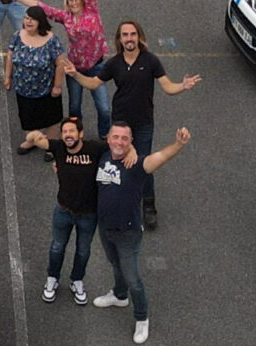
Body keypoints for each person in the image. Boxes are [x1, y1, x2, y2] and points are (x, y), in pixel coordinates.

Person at [66, 20, 201, 230]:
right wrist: (76, 75)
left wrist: (182, 86)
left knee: (144, 165)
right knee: (119, 161)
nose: (129, 38)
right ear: (119, 39)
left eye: (132, 34)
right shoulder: (114, 63)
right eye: (124, 35)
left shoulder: (151, 60)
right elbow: (94, 83)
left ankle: (148, 206)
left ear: (139, 37)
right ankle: (118, 199)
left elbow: (167, 87)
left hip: (144, 123)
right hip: (120, 123)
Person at [92, 125, 192, 344]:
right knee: (115, 265)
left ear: (131, 141)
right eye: (115, 137)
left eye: (124, 139)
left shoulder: (137, 164)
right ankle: (119, 296)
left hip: (128, 232)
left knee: (133, 279)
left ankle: (141, 317)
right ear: (108, 139)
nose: (119, 142)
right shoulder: (102, 155)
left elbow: (162, 156)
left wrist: (179, 144)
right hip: (105, 227)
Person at [9, 0, 109, 136]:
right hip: (74, 68)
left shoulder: (92, 10)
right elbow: (41, 6)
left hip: (97, 67)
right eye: (70, 0)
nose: (73, 2)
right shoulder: (66, 17)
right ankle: (76, 135)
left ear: (82, 0)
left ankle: (104, 134)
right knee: (74, 106)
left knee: (104, 108)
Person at [19, 117, 99, 305]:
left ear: (81, 134)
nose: (68, 135)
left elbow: (117, 147)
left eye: (72, 131)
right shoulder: (58, 147)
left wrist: (132, 151)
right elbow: (34, 139)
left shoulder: (95, 149)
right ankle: (52, 278)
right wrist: (34, 135)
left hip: (88, 213)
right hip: (63, 210)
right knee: (57, 247)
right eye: (65, 132)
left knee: (83, 251)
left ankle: (77, 280)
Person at [4, 5, 68, 149]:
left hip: (45, 89)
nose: (28, 22)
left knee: (50, 119)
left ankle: (51, 145)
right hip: (23, 90)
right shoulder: (17, 36)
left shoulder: (51, 40)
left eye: (32, 19)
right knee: (28, 117)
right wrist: (7, 77)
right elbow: (10, 55)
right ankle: (32, 140)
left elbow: (60, 63)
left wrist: (57, 86)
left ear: (40, 22)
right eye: (26, 18)